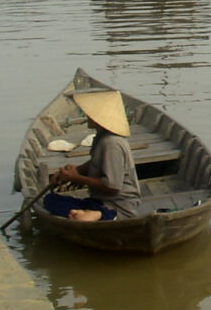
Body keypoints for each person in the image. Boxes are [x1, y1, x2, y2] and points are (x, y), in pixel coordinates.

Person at [43, 90, 142, 222]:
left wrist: (77, 178)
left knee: (60, 207)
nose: (87, 116)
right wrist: (73, 171)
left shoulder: (112, 144)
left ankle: (103, 215)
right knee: (50, 200)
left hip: (119, 206)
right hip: (99, 201)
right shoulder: (101, 138)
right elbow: (95, 163)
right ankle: (92, 213)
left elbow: (112, 187)